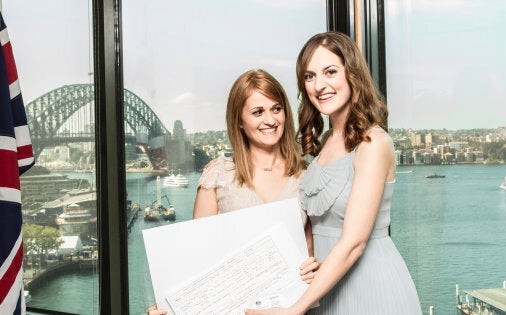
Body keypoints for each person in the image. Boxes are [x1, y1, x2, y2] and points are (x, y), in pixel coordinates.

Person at [246, 32, 422, 314]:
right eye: (309, 76)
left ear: (352, 74)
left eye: (330, 72)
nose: (319, 85)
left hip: (372, 289)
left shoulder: (373, 143)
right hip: (324, 292)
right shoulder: (325, 142)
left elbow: (354, 243)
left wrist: (295, 309)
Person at [147, 69, 319, 315]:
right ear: (239, 120)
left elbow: (310, 254)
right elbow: (195, 258)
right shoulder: (218, 175)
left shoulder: (306, 176)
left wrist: (313, 269)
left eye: (276, 109)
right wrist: (169, 307)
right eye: (258, 112)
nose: (270, 120)